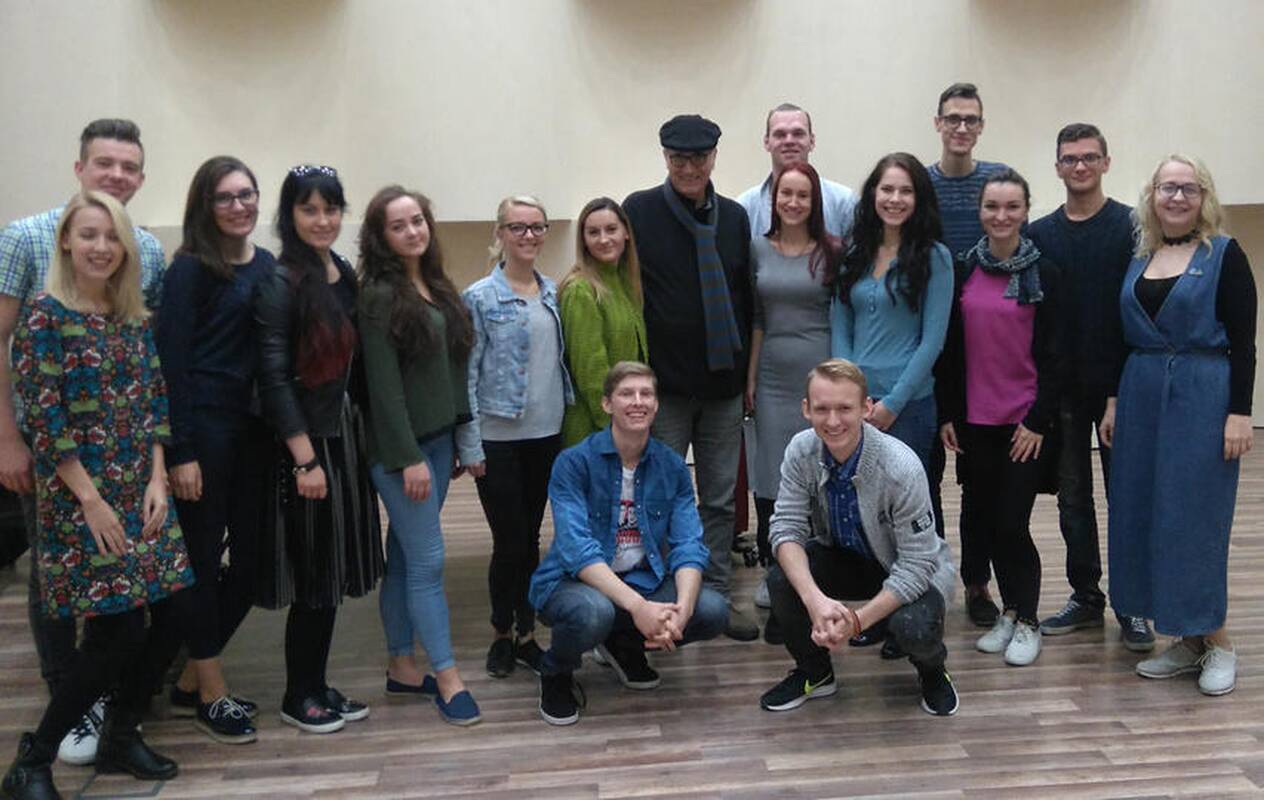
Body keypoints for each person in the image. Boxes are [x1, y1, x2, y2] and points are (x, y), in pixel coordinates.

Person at [2, 191, 193, 799]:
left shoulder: (129, 314)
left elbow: (154, 399)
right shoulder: (43, 315)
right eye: (89, 235)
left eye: (113, 237)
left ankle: (120, 733)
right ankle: (32, 761)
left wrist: (158, 476)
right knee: (117, 633)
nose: (102, 247)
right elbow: (44, 418)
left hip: (142, 490)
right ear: (66, 240)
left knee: (176, 613)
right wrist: (90, 500)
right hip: (81, 497)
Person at [1105, 155, 1256, 697]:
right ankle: (1188, 640)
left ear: (1204, 197)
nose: (1177, 197)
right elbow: (1122, 337)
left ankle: (1219, 641)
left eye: (1188, 188)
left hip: (1202, 395)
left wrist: (1240, 412)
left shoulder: (1225, 255)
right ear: (1152, 195)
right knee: (1145, 513)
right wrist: (1114, 402)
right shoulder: (1140, 255)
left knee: (1194, 518)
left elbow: (1244, 342)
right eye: (1168, 187)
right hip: (1141, 394)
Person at [255, 165, 383, 733]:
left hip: (344, 435)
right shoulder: (281, 282)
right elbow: (274, 379)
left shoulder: (341, 271)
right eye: (309, 209)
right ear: (290, 215)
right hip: (307, 445)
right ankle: (297, 694)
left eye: (330, 209)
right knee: (313, 573)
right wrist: (304, 459)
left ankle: (317, 682)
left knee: (332, 571)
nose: (322, 219)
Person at [530, 361, 728, 726]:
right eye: (626, 394)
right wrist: (640, 608)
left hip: (642, 579)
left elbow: (688, 545)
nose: (638, 401)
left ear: (656, 404)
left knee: (712, 610)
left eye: (646, 394)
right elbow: (577, 551)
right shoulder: (573, 463)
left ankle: (623, 644)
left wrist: (682, 610)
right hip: (574, 583)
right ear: (607, 404)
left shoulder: (672, 467)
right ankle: (555, 670)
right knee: (594, 613)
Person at [759, 359, 958, 717]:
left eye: (845, 408)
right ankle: (815, 673)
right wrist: (815, 601)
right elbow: (786, 528)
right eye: (822, 409)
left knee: (913, 626)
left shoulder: (902, 466)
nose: (833, 421)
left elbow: (916, 566)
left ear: (867, 408)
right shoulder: (801, 450)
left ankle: (933, 671)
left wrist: (857, 621)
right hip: (848, 558)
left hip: (911, 567)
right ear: (806, 409)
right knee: (781, 580)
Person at [623, 114, 757, 641]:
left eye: (699, 158)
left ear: (714, 158)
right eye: (679, 158)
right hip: (668, 390)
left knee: (719, 501)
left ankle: (714, 597)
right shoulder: (639, 211)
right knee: (657, 497)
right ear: (665, 158)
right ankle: (659, 596)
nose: (689, 168)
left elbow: (745, 298)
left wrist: (747, 376)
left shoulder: (736, 218)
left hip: (723, 388)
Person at [155, 155, 275, 744]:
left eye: (246, 194)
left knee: (252, 568)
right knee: (201, 563)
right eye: (225, 197)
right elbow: (171, 365)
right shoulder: (188, 270)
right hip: (202, 432)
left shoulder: (267, 265)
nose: (238, 206)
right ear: (205, 205)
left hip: (254, 434)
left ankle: (187, 680)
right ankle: (210, 689)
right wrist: (179, 451)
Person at [1027, 125, 1155, 651]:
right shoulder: (1039, 234)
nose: (1079, 167)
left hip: (1120, 391)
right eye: (1070, 159)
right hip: (1063, 394)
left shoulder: (1132, 227)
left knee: (1125, 500)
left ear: (1106, 162)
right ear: (1057, 167)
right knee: (1073, 502)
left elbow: (1137, 313)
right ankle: (1086, 597)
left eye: (1088, 157)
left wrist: (1117, 396)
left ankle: (1133, 605)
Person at [359, 186, 483, 725]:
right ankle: (448, 676)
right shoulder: (377, 296)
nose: (412, 231)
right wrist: (407, 456)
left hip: (437, 441)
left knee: (407, 556)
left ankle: (402, 666)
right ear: (381, 237)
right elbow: (382, 388)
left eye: (417, 220)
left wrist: (454, 437)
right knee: (429, 561)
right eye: (398, 225)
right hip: (401, 451)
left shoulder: (435, 284)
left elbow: (451, 370)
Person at [937, 169, 1064, 667]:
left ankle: (1028, 619)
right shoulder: (965, 269)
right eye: (992, 206)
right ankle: (1009, 612)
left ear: (1026, 211)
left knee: (1013, 523)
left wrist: (1038, 420)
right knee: (988, 522)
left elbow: (1057, 357)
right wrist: (949, 412)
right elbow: (951, 349)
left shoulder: (1045, 273)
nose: (1001, 215)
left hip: (1024, 424)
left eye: (1012, 206)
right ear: (980, 211)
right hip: (976, 422)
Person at [830, 152, 952, 653]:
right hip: (857, 406)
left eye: (906, 191)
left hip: (909, 406)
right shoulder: (854, 253)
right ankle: (880, 612)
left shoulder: (935, 257)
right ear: (873, 195)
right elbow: (840, 326)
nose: (895, 199)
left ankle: (919, 614)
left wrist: (893, 403)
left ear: (918, 199)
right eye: (887, 189)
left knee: (911, 512)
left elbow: (932, 340)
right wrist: (849, 396)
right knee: (868, 513)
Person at [458, 195, 572, 680]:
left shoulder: (553, 293)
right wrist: (469, 444)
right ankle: (501, 633)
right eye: (518, 227)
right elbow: (466, 374)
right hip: (498, 439)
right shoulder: (479, 297)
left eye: (537, 227)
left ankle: (527, 633)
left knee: (530, 539)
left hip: (546, 435)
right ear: (500, 233)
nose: (529, 236)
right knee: (508, 541)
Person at [928, 82, 1011, 627]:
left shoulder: (997, 181)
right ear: (937, 123)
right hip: (932, 346)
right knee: (923, 476)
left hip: (986, 349)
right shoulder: (920, 184)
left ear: (981, 126)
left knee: (981, 481)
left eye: (971, 119)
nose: (961, 127)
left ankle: (978, 585)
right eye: (953, 118)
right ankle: (927, 580)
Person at [744, 162, 839, 627]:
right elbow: (757, 318)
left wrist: (838, 381)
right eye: (786, 194)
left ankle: (815, 570)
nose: (794, 202)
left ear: (814, 201)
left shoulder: (833, 250)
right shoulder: (757, 248)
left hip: (819, 373)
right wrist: (750, 377)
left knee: (818, 475)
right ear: (774, 199)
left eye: (803, 195)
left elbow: (840, 314)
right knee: (770, 476)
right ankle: (773, 568)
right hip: (772, 377)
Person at [558, 197, 647, 447]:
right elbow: (591, 373)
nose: (603, 239)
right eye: (593, 232)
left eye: (611, 229)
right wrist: (616, 427)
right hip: (595, 430)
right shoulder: (581, 290)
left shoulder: (626, 284)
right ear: (583, 240)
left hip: (625, 422)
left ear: (626, 233)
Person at [737, 102, 856, 240]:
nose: (789, 141)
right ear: (767, 142)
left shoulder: (844, 204)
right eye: (780, 134)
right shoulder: (745, 208)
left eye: (798, 133)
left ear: (812, 141)